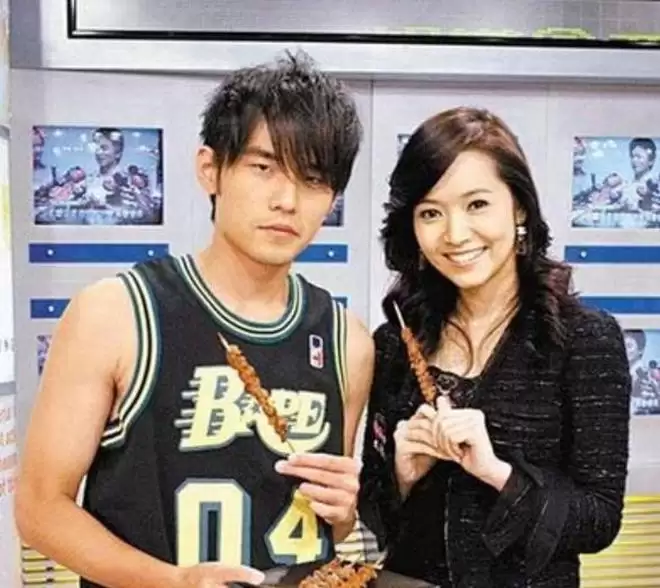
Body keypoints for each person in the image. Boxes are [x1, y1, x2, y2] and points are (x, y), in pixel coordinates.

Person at [15, 51, 375, 588]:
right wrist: (173, 581)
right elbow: (41, 509)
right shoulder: (115, 314)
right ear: (211, 169)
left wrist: (343, 512)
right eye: (263, 167)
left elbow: (330, 514)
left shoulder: (347, 341)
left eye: (313, 178)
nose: (286, 199)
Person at [358, 107, 631, 587]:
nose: (455, 234)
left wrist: (498, 473)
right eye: (430, 213)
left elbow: (599, 519)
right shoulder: (396, 342)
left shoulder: (584, 339)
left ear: (519, 207)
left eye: (477, 204)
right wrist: (402, 471)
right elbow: (374, 512)